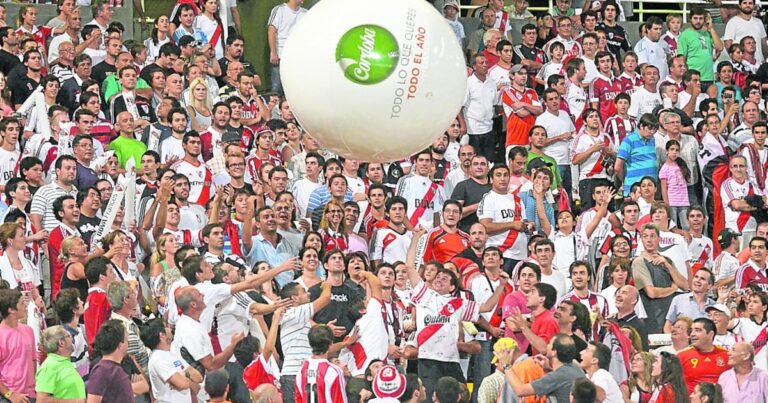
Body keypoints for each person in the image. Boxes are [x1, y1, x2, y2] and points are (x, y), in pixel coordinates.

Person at [496, 333, 586, 403]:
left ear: (554, 352)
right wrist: (549, 368)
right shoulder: (575, 366)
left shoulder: (556, 376)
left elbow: (520, 390)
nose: (547, 345)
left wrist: (506, 365)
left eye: (550, 344)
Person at [295, 324, 348, 403]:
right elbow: (340, 400)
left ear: (310, 343)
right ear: (330, 344)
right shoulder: (334, 371)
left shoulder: (301, 370)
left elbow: (298, 399)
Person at [0, 289, 36, 403]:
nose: (25, 306)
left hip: (30, 395)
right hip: (8, 397)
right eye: (21, 303)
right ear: (11, 310)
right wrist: (10, 394)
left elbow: (33, 359)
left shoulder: (28, 330)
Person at [35, 325, 86, 402]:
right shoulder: (49, 366)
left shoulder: (64, 361)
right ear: (61, 343)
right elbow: (42, 400)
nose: (72, 338)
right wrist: (74, 402)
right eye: (68, 336)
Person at [679, 318, 731, 393]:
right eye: (691, 331)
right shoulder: (682, 356)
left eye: (698, 330)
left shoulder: (726, 355)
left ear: (711, 334)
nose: (692, 334)